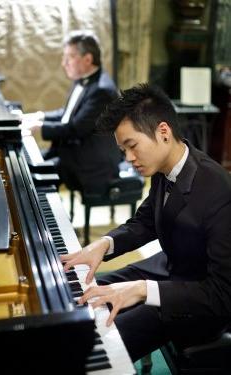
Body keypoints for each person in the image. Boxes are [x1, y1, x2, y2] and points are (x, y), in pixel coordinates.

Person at [60, 83, 231, 363]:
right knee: (81, 294)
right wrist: (104, 244)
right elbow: (145, 222)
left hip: (198, 301)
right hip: (168, 269)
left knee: (95, 341)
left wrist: (141, 289)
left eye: (132, 146)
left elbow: (223, 294)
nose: (128, 158)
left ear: (163, 132)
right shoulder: (164, 168)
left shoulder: (218, 191)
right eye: (123, 149)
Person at [22, 30, 121, 193]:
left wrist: (38, 127)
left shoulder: (102, 91)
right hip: (74, 150)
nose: (64, 63)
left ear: (88, 59)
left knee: (34, 177)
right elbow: (68, 114)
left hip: (92, 162)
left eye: (69, 57)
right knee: (27, 165)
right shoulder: (82, 80)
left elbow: (76, 129)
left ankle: (48, 217)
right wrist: (38, 116)